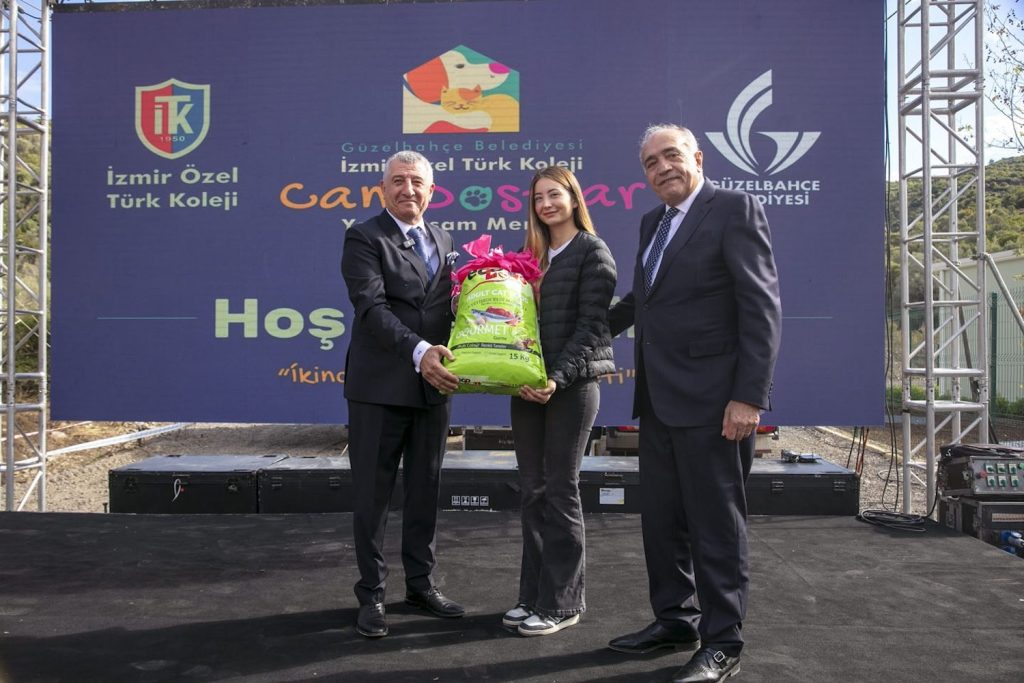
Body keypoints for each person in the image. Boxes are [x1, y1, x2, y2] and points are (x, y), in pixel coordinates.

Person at [607, 125, 781, 682]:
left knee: (715, 526)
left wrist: (748, 397)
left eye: (671, 156)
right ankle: (675, 620)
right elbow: (642, 302)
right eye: (650, 162)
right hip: (658, 401)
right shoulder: (652, 223)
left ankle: (723, 641)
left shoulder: (733, 209)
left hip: (715, 404)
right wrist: (575, 330)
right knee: (662, 522)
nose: (662, 168)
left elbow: (760, 308)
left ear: (698, 158)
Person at [340, 150, 464, 639]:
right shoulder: (364, 237)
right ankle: (371, 593)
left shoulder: (444, 239)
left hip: (435, 388)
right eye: (397, 181)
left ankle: (420, 585)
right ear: (382, 189)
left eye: (416, 182)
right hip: (380, 388)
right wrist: (419, 351)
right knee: (373, 496)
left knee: (425, 490)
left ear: (432, 191)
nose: (407, 189)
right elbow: (371, 307)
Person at [502, 167, 617, 637]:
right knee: (532, 490)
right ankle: (533, 595)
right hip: (527, 389)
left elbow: (592, 328)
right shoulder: (530, 256)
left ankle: (563, 603)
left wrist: (555, 377)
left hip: (571, 387)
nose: (546, 204)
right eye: (538, 198)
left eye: (554, 195)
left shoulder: (592, 251)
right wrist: (516, 371)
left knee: (559, 489)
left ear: (573, 199)